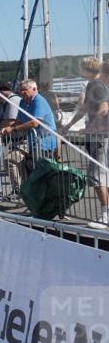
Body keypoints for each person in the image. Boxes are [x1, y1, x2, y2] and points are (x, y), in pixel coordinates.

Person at [61, 57, 109, 228]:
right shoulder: (94, 85)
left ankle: (105, 216)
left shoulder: (95, 85)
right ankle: (106, 213)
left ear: (87, 69)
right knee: (101, 176)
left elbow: (103, 108)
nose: (79, 71)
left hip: (99, 137)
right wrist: (69, 125)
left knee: (97, 177)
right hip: (98, 136)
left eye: (81, 68)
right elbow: (84, 109)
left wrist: (92, 127)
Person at [1, 79, 58, 193]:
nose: (21, 93)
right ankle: (27, 192)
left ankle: (45, 195)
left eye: (24, 90)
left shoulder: (39, 101)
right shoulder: (23, 102)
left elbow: (34, 122)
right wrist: (7, 128)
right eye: (20, 90)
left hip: (45, 142)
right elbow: (19, 120)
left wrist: (14, 129)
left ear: (34, 89)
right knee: (28, 167)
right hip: (33, 142)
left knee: (41, 170)